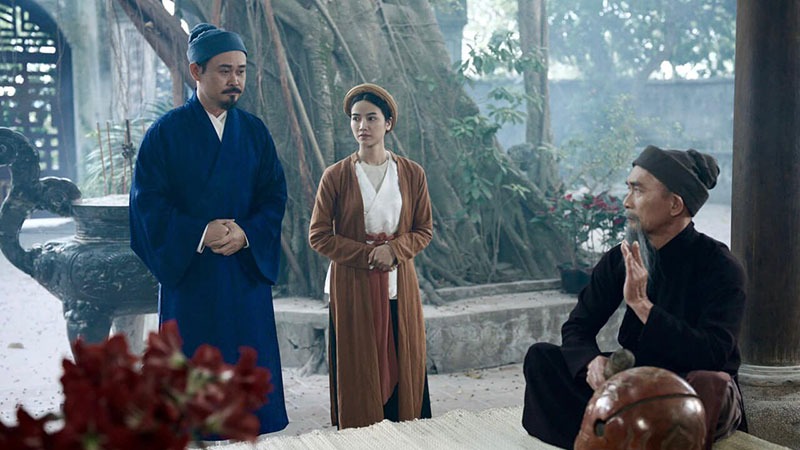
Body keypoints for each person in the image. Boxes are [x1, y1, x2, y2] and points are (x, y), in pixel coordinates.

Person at [522, 145, 746, 450]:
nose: (626, 202)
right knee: (542, 359)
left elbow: (712, 354)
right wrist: (590, 362)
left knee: (709, 384)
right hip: (635, 384)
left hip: (689, 388)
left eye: (638, 191)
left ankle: (616, 434)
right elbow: (577, 328)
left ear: (675, 204)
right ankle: (618, 436)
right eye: (628, 189)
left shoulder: (721, 266)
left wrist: (642, 306)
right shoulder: (621, 258)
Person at [129, 23, 288, 435]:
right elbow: (147, 204)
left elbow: (274, 196)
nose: (235, 80)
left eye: (241, 71)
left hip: (244, 271)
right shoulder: (164, 134)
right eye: (224, 70)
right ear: (196, 72)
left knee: (246, 380)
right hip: (192, 273)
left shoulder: (254, 132)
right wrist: (200, 232)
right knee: (192, 391)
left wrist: (245, 233)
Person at [308, 83, 433, 429]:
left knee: (404, 351)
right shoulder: (335, 176)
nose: (362, 126)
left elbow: (424, 229)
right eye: (355, 118)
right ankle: (360, 434)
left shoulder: (411, 173)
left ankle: (406, 430)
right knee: (358, 359)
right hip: (352, 282)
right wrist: (368, 254)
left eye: (371, 118)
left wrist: (393, 250)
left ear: (388, 123)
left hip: (397, 279)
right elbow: (319, 235)